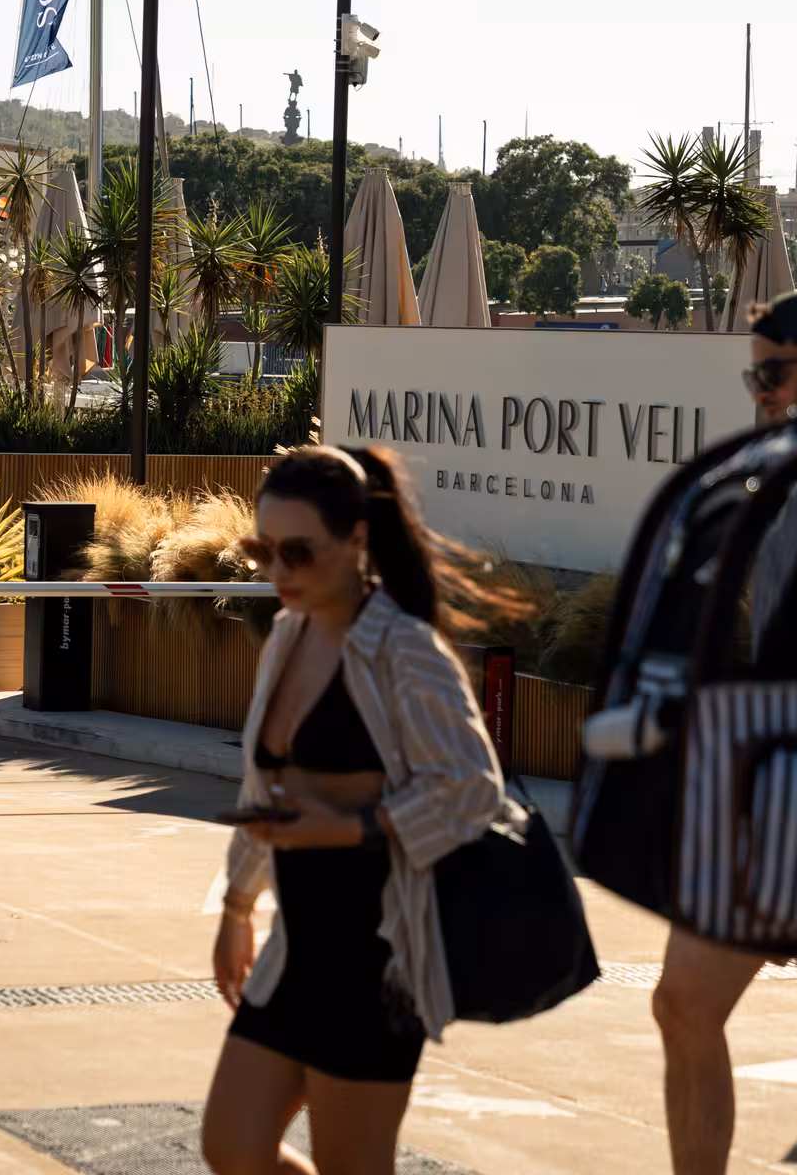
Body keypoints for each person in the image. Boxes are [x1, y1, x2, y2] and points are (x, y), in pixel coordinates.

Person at [201, 444, 507, 1175]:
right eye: (263, 551)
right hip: (295, 950)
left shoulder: (404, 650)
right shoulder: (288, 636)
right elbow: (265, 792)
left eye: (299, 552)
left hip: (377, 958)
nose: (278, 572)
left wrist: (354, 825)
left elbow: (474, 789)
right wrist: (237, 907)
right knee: (232, 1147)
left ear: (357, 539)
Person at [648, 289, 797, 1175]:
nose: (761, 396)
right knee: (683, 1003)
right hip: (784, 781)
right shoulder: (788, 475)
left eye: (768, 375)